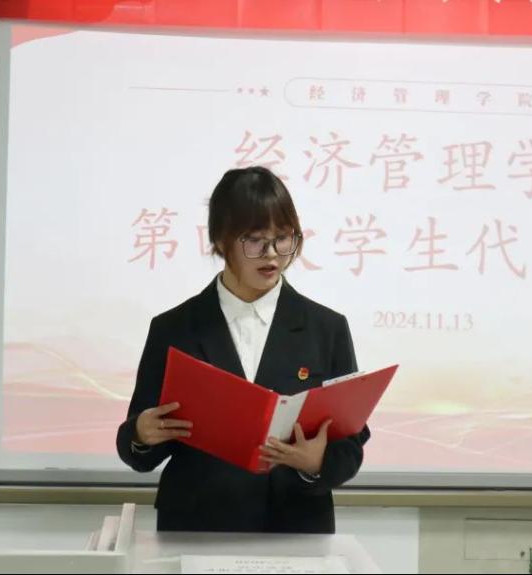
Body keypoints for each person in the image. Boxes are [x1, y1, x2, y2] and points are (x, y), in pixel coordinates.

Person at [115, 166, 368, 533]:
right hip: (196, 528)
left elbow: (350, 445)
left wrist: (316, 463)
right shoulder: (174, 328)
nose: (272, 255)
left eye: (284, 239)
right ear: (221, 241)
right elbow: (137, 448)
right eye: (255, 241)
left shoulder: (326, 328)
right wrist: (141, 434)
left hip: (295, 528)